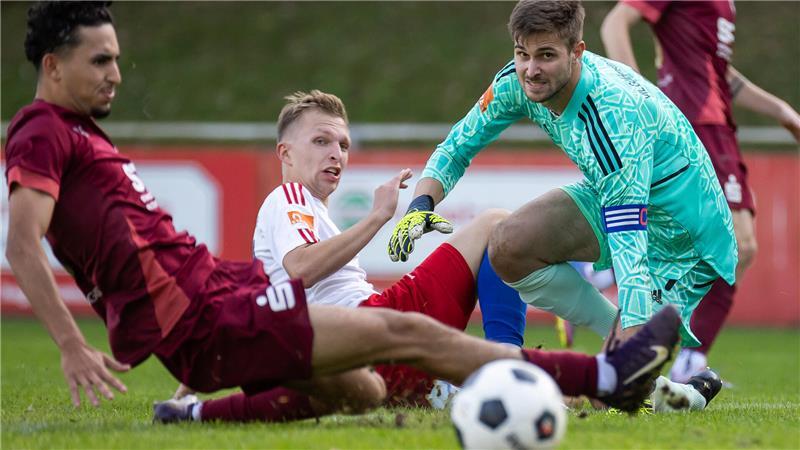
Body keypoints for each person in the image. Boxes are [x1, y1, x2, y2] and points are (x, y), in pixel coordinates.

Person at [4, 1, 677, 421]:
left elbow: (130, 253)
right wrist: (71, 342)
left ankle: (196, 418)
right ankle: (602, 373)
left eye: (343, 145)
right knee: (424, 312)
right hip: (217, 310)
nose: (116, 74)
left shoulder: (83, 137)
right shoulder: (42, 131)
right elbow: (23, 243)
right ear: (54, 65)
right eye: (101, 60)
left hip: (222, 295)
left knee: (362, 393)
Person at [154, 89, 695, 422]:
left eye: (343, 144)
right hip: (367, 331)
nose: (337, 153)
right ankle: (507, 360)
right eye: (321, 141)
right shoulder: (287, 197)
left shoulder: (303, 212)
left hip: (359, 358)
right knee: (494, 226)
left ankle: (658, 390)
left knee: (489, 382)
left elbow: (253, 305)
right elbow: (299, 270)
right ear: (285, 153)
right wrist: (376, 217)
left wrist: (190, 386)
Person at [388, 0, 730, 411]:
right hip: (615, 191)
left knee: (613, 391)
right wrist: (420, 203)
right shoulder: (517, 81)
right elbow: (459, 143)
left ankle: (669, 385)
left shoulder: (612, 117)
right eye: (523, 54)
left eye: (546, 56)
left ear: (576, 52)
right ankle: (637, 361)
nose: (531, 69)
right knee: (508, 244)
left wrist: (634, 335)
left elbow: (630, 241)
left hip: (683, 232)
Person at [601, 0, 800, 383]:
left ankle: (653, 354)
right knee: (737, 244)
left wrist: (781, 111)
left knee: (724, 249)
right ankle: (677, 359)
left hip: (718, 127)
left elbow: (720, 73)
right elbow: (615, 23)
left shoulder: (724, 5)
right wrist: (638, 94)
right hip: (696, 125)